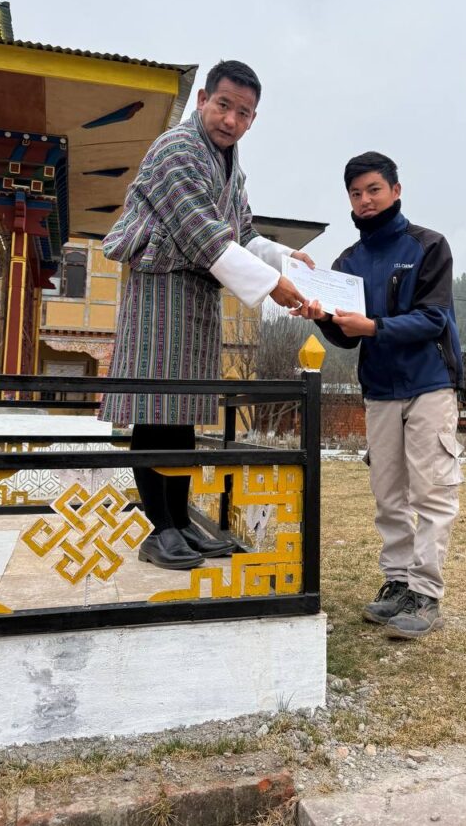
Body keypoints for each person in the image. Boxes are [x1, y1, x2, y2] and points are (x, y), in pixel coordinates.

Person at [99, 60, 311, 570]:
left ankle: (180, 521)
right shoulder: (176, 149)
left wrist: (285, 259)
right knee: (155, 408)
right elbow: (203, 233)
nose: (231, 120)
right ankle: (160, 528)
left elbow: (243, 230)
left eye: (244, 112)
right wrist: (272, 285)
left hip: (198, 293)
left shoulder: (230, 164)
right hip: (160, 288)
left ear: (253, 119)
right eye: (223, 105)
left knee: (183, 412)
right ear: (202, 100)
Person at [295, 152, 464, 639]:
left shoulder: (429, 246)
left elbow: (433, 318)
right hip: (380, 389)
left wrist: (373, 326)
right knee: (388, 494)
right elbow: (347, 338)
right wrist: (323, 318)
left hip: (429, 383)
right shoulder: (347, 263)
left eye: (373, 189)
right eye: (355, 193)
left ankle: (425, 593)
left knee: (431, 492)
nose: (365, 200)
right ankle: (397, 582)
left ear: (395, 190)